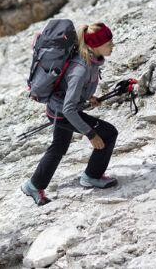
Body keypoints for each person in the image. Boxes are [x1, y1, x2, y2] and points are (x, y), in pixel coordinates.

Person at [21, 23, 120, 206]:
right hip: (63, 113)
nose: (112, 45)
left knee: (59, 147)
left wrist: (89, 98)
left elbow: (72, 90)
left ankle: (33, 185)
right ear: (94, 46)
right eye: (108, 43)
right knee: (108, 133)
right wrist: (91, 134)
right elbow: (69, 108)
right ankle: (92, 176)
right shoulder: (80, 68)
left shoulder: (90, 59)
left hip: (58, 109)